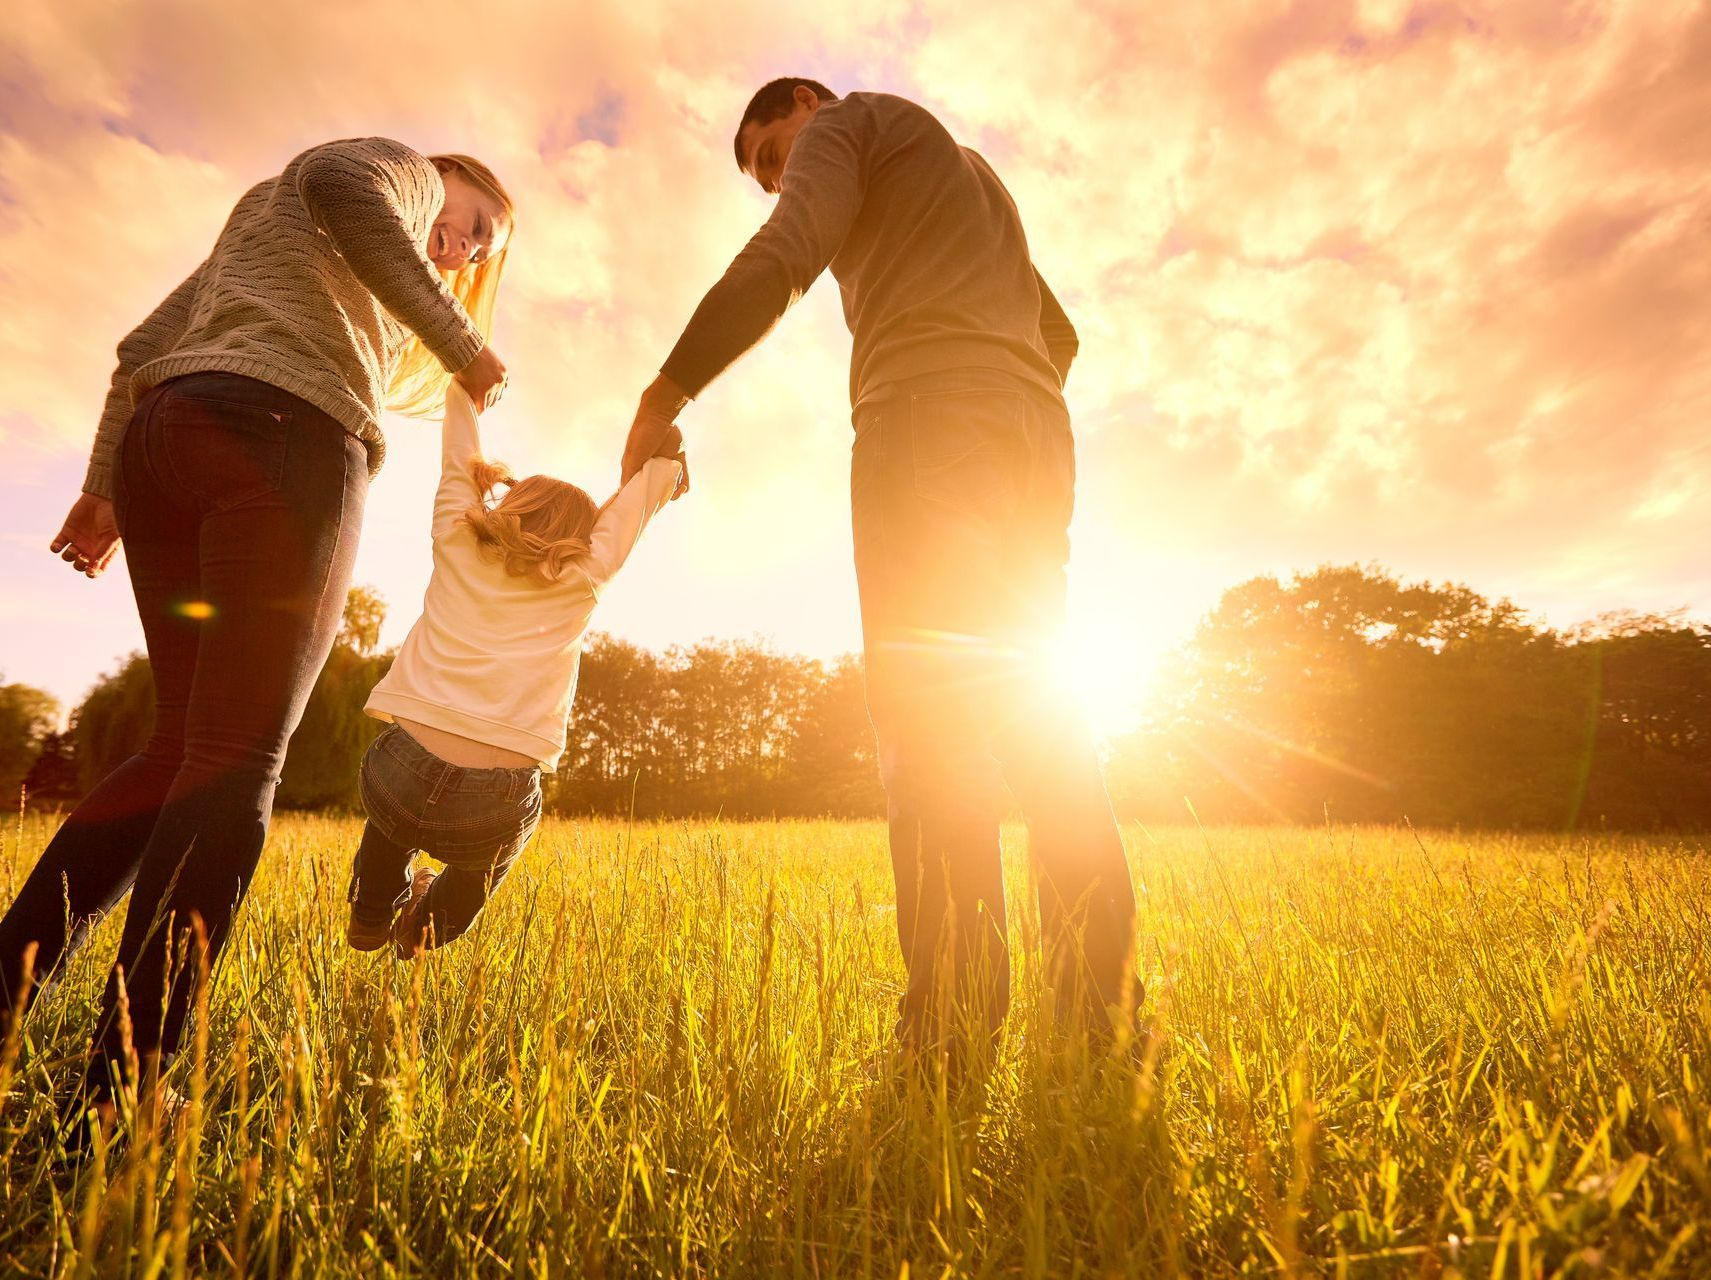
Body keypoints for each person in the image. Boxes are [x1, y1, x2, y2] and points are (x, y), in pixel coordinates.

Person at [0, 138, 514, 1120]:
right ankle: (122, 1092)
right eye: (471, 223)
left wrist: (104, 485)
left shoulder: (269, 236)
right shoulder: (391, 169)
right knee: (235, 762)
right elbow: (341, 180)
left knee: (178, 753)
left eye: (478, 252)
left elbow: (137, 349)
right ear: (439, 178)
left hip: (171, 442)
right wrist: (463, 341)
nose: (461, 248)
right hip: (287, 442)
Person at [620, 80, 1138, 1053]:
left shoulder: (848, 124)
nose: (781, 181)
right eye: (767, 174)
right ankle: (1100, 1022)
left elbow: (787, 252)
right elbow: (1057, 331)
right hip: (1033, 435)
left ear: (807, 104)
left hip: (925, 422)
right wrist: (999, 391)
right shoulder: (969, 172)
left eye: (776, 156)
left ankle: (947, 1031)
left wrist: (667, 388)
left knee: (930, 724)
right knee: (1045, 724)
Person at [345, 386, 683, 956]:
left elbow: (458, 458)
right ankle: (428, 929)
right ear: (584, 537)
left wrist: (464, 394)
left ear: (511, 505)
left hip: (399, 767)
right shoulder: (586, 575)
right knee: (483, 867)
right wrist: (665, 462)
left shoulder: (457, 537)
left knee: (390, 824)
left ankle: (373, 912)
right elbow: (639, 503)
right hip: (494, 797)